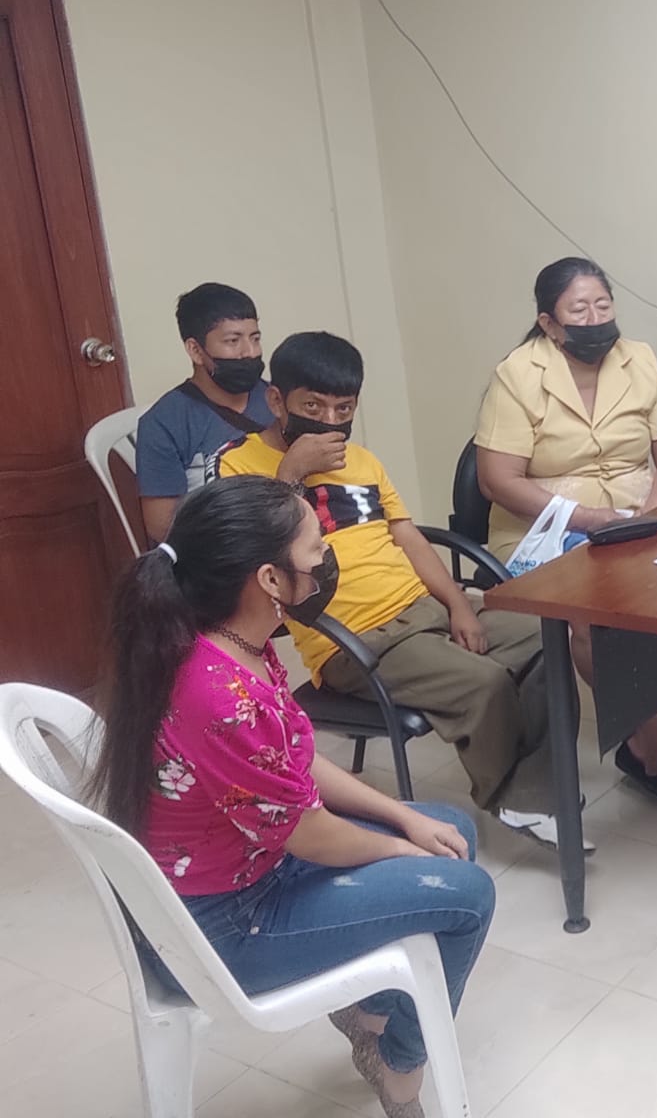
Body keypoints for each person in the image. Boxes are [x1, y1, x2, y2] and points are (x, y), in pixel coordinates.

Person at [89, 476, 494, 1118]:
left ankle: (370, 1012)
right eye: (315, 549)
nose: (326, 558)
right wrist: (400, 848)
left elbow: (297, 761)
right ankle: (399, 1065)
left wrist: (401, 819)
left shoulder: (236, 642)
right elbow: (310, 834)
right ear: (270, 579)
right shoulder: (219, 695)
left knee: (449, 830)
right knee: (467, 895)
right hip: (218, 930)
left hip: (251, 866)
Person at [211, 332, 582, 849]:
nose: (330, 420)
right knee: (487, 683)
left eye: (343, 408)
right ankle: (519, 797)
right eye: (312, 407)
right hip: (353, 639)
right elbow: (260, 562)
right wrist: (291, 474)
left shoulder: (363, 462)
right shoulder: (237, 464)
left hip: (421, 611)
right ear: (277, 401)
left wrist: (458, 605)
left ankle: (537, 788)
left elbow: (409, 538)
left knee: (548, 639)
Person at [475, 257, 657, 798]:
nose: (595, 319)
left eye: (603, 305)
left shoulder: (639, 360)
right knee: (601, 620)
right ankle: (649, 747)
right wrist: (588, 518)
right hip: (546, 529)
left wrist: (650, 515)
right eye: (579, 310)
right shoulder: (518, 374)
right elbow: (496, 480)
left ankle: (642, 737)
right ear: (549, 323)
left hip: (637, 519)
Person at [136, 283, 275, 542]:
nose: (249, 352)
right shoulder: (163, 424)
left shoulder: (277, 400)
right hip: (220, 549)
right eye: (233, 341)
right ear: (195, 350)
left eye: (255, 338)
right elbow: (162, 528)